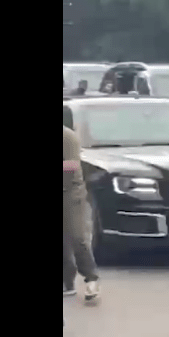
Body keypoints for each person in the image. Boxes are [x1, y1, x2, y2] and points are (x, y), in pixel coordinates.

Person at [64, 126, 100, 302]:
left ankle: (91, 278)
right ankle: (67, 282)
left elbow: (71, 164)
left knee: (76, 236)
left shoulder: (67, 136)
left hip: (70, 193)